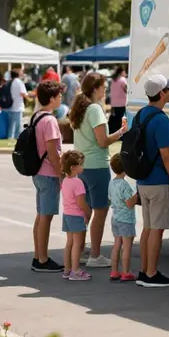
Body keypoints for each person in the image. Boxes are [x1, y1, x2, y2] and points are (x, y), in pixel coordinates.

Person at [69, 72, 128, 268]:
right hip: (97, 166)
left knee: (84, 212)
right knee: (100, 211)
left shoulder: (81, 108)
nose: (106, 90)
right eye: (103, 86)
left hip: (82, 166)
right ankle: (95, 255)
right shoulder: (95, 109)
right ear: (95, 89)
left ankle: (81, 251)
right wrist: (121, 132)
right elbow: (102, 141)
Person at [135, 73, 169, 288]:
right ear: (162, 94)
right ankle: (151, 274)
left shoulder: (140, 115)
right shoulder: (160, 119)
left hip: (143, 180)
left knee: (148, 228)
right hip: (159, 181)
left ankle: (144, 271)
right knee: (157, 229)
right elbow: (167, 156)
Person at [31, 80, 66, 273]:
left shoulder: (37, 116)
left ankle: (38, 255)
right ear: (52, 98)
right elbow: (53, 154)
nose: (61, 98)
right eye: (59, 95)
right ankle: (42, 259)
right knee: (46, 217)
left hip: (38, 172)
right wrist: (61, 175)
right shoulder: (50, 121)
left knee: (41, 216)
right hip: (49, 173)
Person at [60, 150, 92, 281]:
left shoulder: (65, 181)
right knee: (77, 244)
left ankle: (67, 269)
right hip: (76, 215)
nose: (82, 167)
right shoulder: (78, 182)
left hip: (67, 214)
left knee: (69, 243)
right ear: (74, 167)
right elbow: (81, 202)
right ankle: (76, 270)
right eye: (81, 164)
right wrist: (87, 212)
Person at [108, 153, 138, 282]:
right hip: (126, 219)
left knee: (117, 244)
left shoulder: (112, 183)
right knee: (126, 247)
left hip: (115, 217)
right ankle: (126, 272)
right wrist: (137, 195)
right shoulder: (125, 185)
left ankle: (114, 271)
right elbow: (129, 204)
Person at [4, 70, 28, 140]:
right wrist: (29, 96)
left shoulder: (9, 82)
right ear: (18, 75)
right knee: (18, 124)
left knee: (11, 124)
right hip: (18, 106)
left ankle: (10, 137)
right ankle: (17, 137)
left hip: (10, 105)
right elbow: (23, 93)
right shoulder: (19, 82)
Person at [108, 67, 128, 134]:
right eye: (124, 72)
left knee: (114, 120)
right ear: (121, 72)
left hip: (114, 103)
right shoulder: (123, 80)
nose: (125, 73)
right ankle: (120, 134)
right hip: (121, 103)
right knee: (121, 120)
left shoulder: (113, 80)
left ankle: (112, 133)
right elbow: (127, 90)